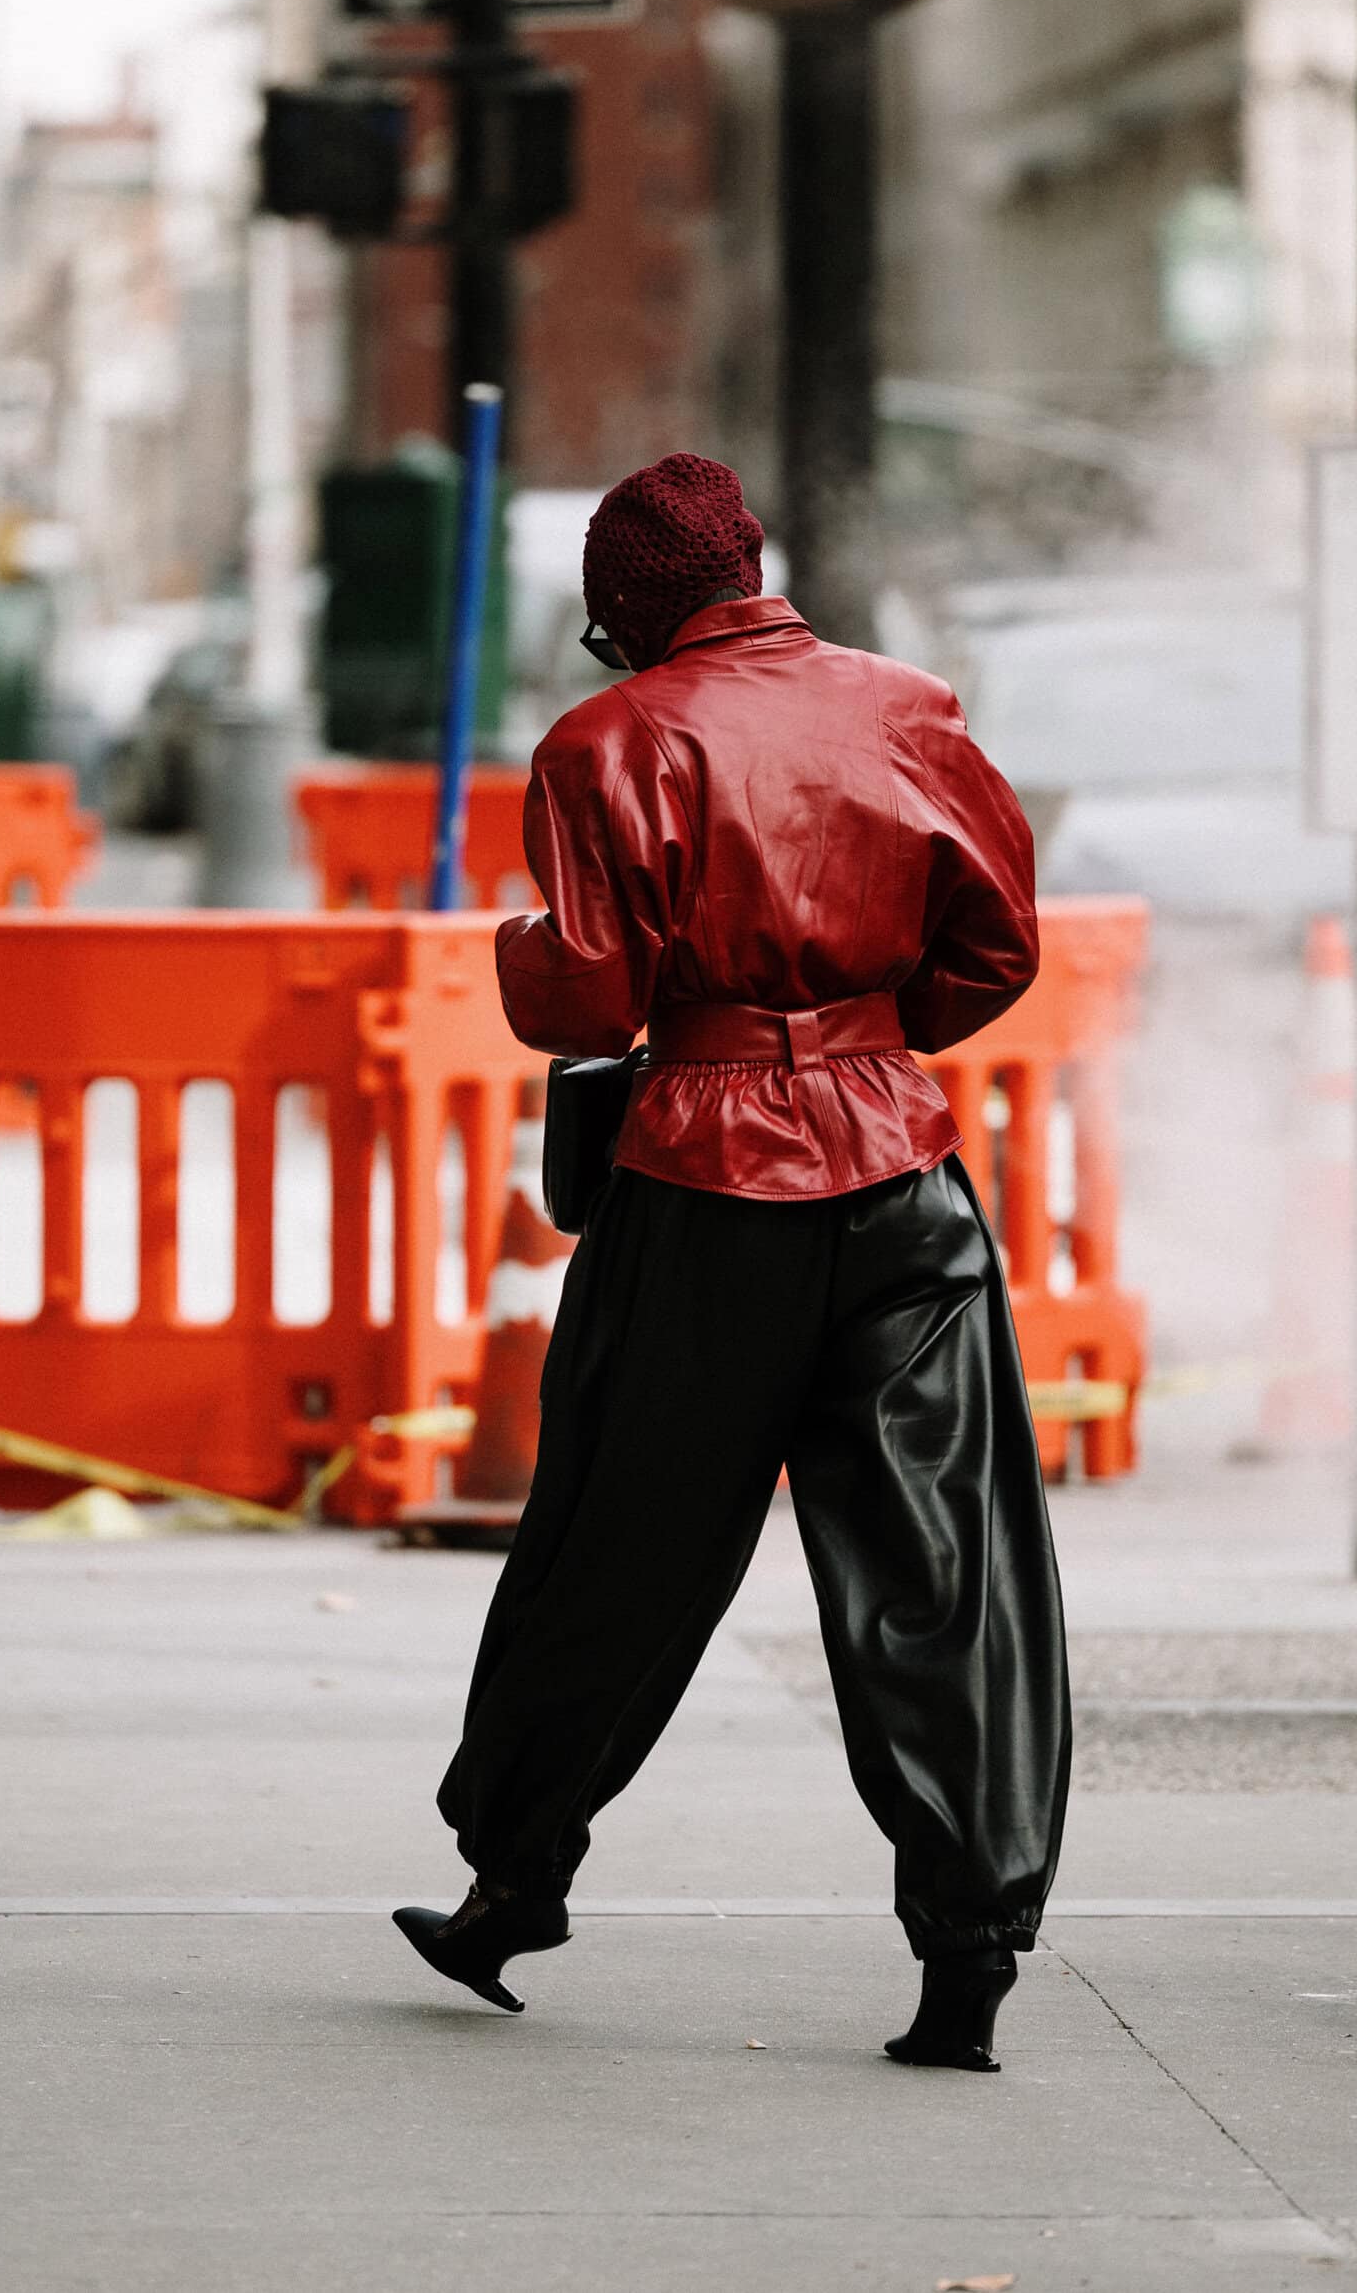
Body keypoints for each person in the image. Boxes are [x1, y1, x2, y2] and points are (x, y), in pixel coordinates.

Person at [395, 455, 1070, 2073]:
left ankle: (510, 1884)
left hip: (703, 1185)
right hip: (901, 1173)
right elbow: (995, 949)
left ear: (622, 611)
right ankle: (967, 1957)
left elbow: (585, 1000)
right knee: (940, 1575)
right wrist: (847, 1046)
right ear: (752, 565)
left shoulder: (607, 741)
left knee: (613, 1548)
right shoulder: (911, 704)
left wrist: (519, 953)